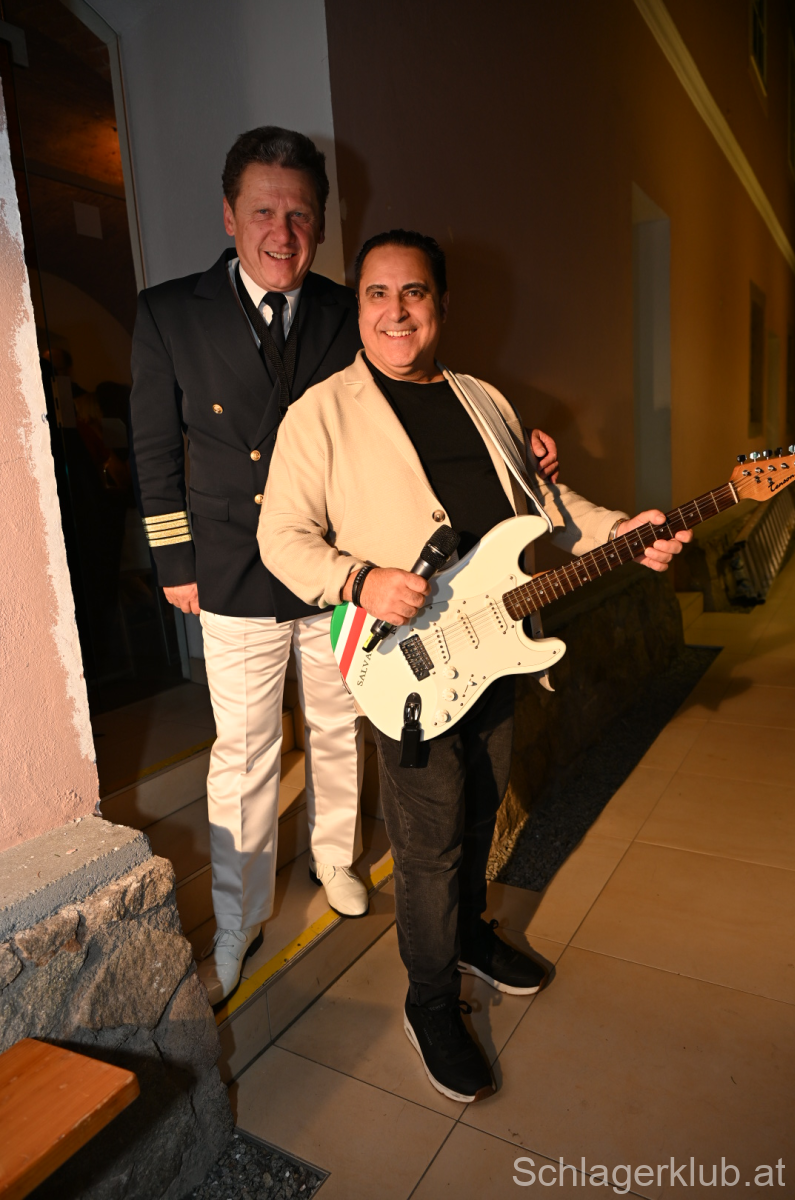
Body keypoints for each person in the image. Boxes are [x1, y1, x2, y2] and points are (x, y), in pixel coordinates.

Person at [257, 229, 692, 1102]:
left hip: (495, 649)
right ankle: (429, 1002)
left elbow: (543, 506)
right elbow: (281, 537)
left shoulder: (483, 398)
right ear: (357, 307)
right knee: (426, 845)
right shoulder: (321, 413)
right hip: (404, 667)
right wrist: (361, 579)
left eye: (414, 292)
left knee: (483, 809)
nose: (396, 311)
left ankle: (467, 936)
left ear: (441, 305)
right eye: (377, 293)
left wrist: (618, 531)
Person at [129, 127, 369, 1005]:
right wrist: (174, 560)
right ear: (229, 217)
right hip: (230, 564)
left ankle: (336, 858)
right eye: (263, 211)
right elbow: (155, 450)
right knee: (245, 752)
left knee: (339, 726)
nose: (282, 232)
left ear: (321, 223)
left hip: (334, 562)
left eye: (299, 214)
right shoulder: (170, 311)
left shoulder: (348, 310)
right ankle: (237, 919)